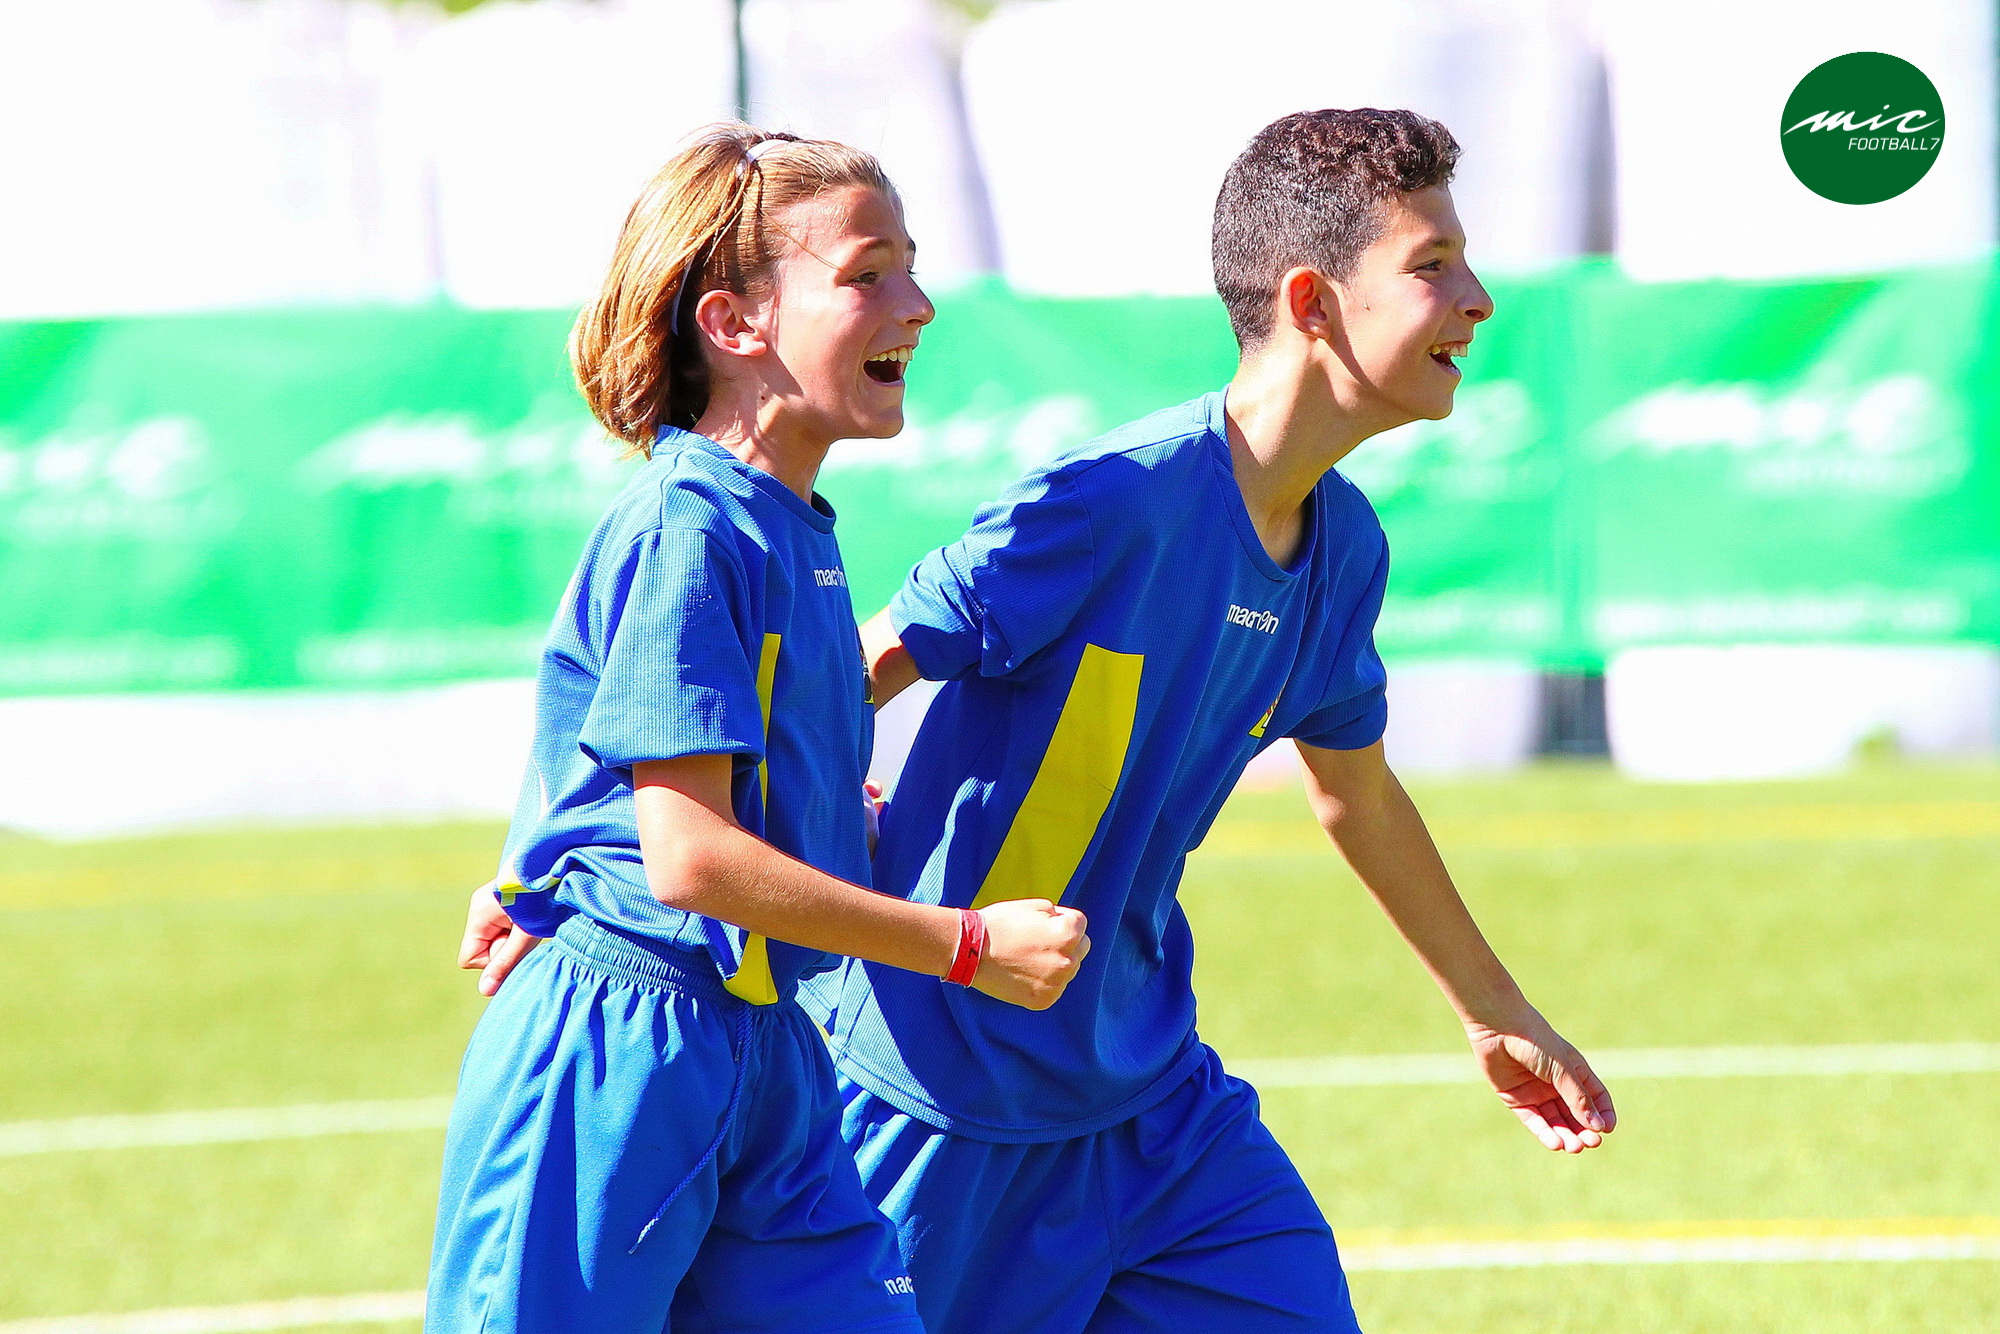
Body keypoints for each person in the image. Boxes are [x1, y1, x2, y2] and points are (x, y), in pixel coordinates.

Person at [808, 108, 1620, 1333]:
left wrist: (1491, 1009)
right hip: (938, 1094)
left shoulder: (1343, 549)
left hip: (1153, 1110)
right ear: (1310, 301)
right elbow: (854, 669)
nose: (1478, 298)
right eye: (1432, 263)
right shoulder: (1108, 502)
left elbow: (1355, 792)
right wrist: (591, 850)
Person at [428, 123, 1088, 1334]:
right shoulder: (689, 523)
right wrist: (962, 943)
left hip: (765, 1044)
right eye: (867, 273)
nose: (918, 305)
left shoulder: (790, 525)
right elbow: (687, 858)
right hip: (621, 1046)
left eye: (910, 268)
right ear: (733, 324)